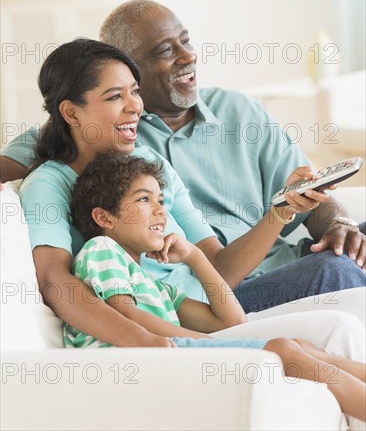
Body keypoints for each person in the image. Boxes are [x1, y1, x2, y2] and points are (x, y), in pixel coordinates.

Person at [1, 0, 365, 313]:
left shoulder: (237, 112)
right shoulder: (107, 133)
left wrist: (341, 226)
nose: (188, 57)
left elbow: (313, 200)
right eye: (165, 50)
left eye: (186, 42)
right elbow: (53, 142)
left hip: (283, 260)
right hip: (225, 291)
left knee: (348, 254)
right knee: (337, 270)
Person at [66, 151, 366, 424]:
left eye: (160, 200)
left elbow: (232, 321)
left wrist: (195, 257)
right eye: (144, 200)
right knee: (282, 348)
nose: (160, 211)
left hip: (161, 356)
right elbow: (127, 317)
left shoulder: (154, 286)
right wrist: (205, 342)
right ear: (104, 216)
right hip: (131, 362)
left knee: (301, 345)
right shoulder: (101, 248)